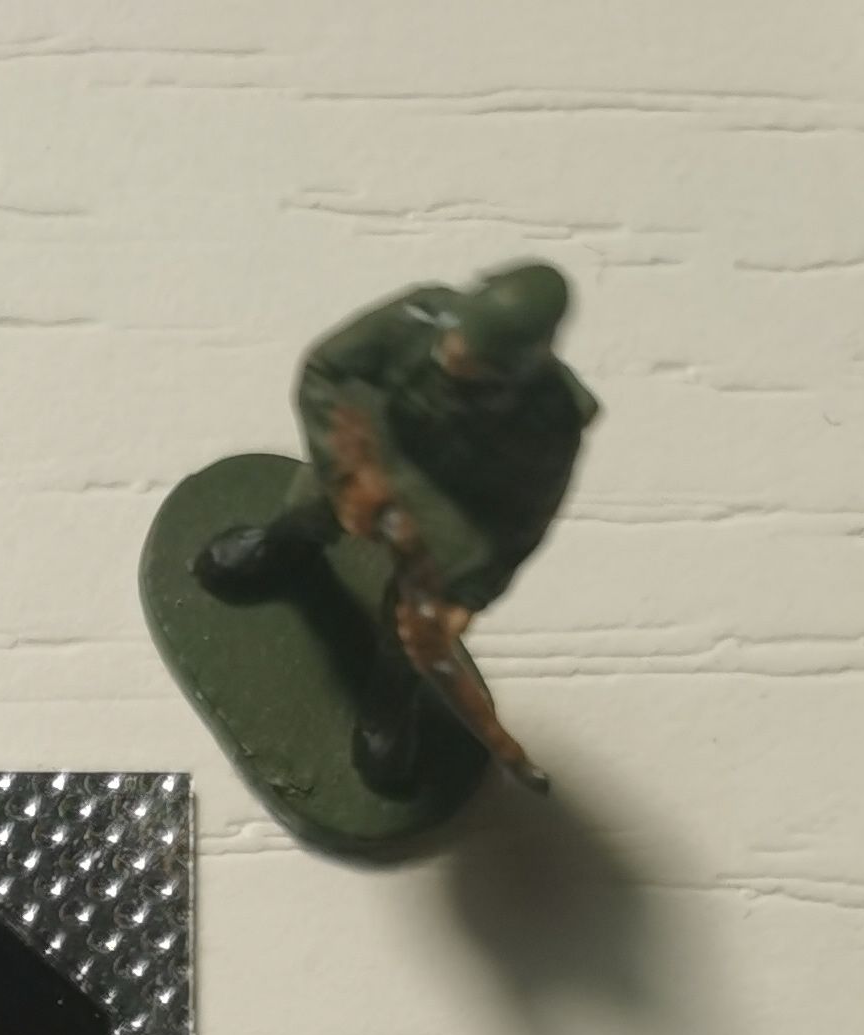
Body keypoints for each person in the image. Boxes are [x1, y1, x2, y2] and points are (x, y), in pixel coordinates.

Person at [196, 261, 596, 796]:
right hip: (381, 451)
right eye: (456, 339)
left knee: (417, 627)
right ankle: (279, 549)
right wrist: (347, 472)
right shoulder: (418, 318)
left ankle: (389, 704)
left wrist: (468, 595)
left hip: (457, 508)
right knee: (309, 503)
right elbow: (325, 371)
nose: (452, 354)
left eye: (474, 357)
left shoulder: (552, 422)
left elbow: (522, 521)